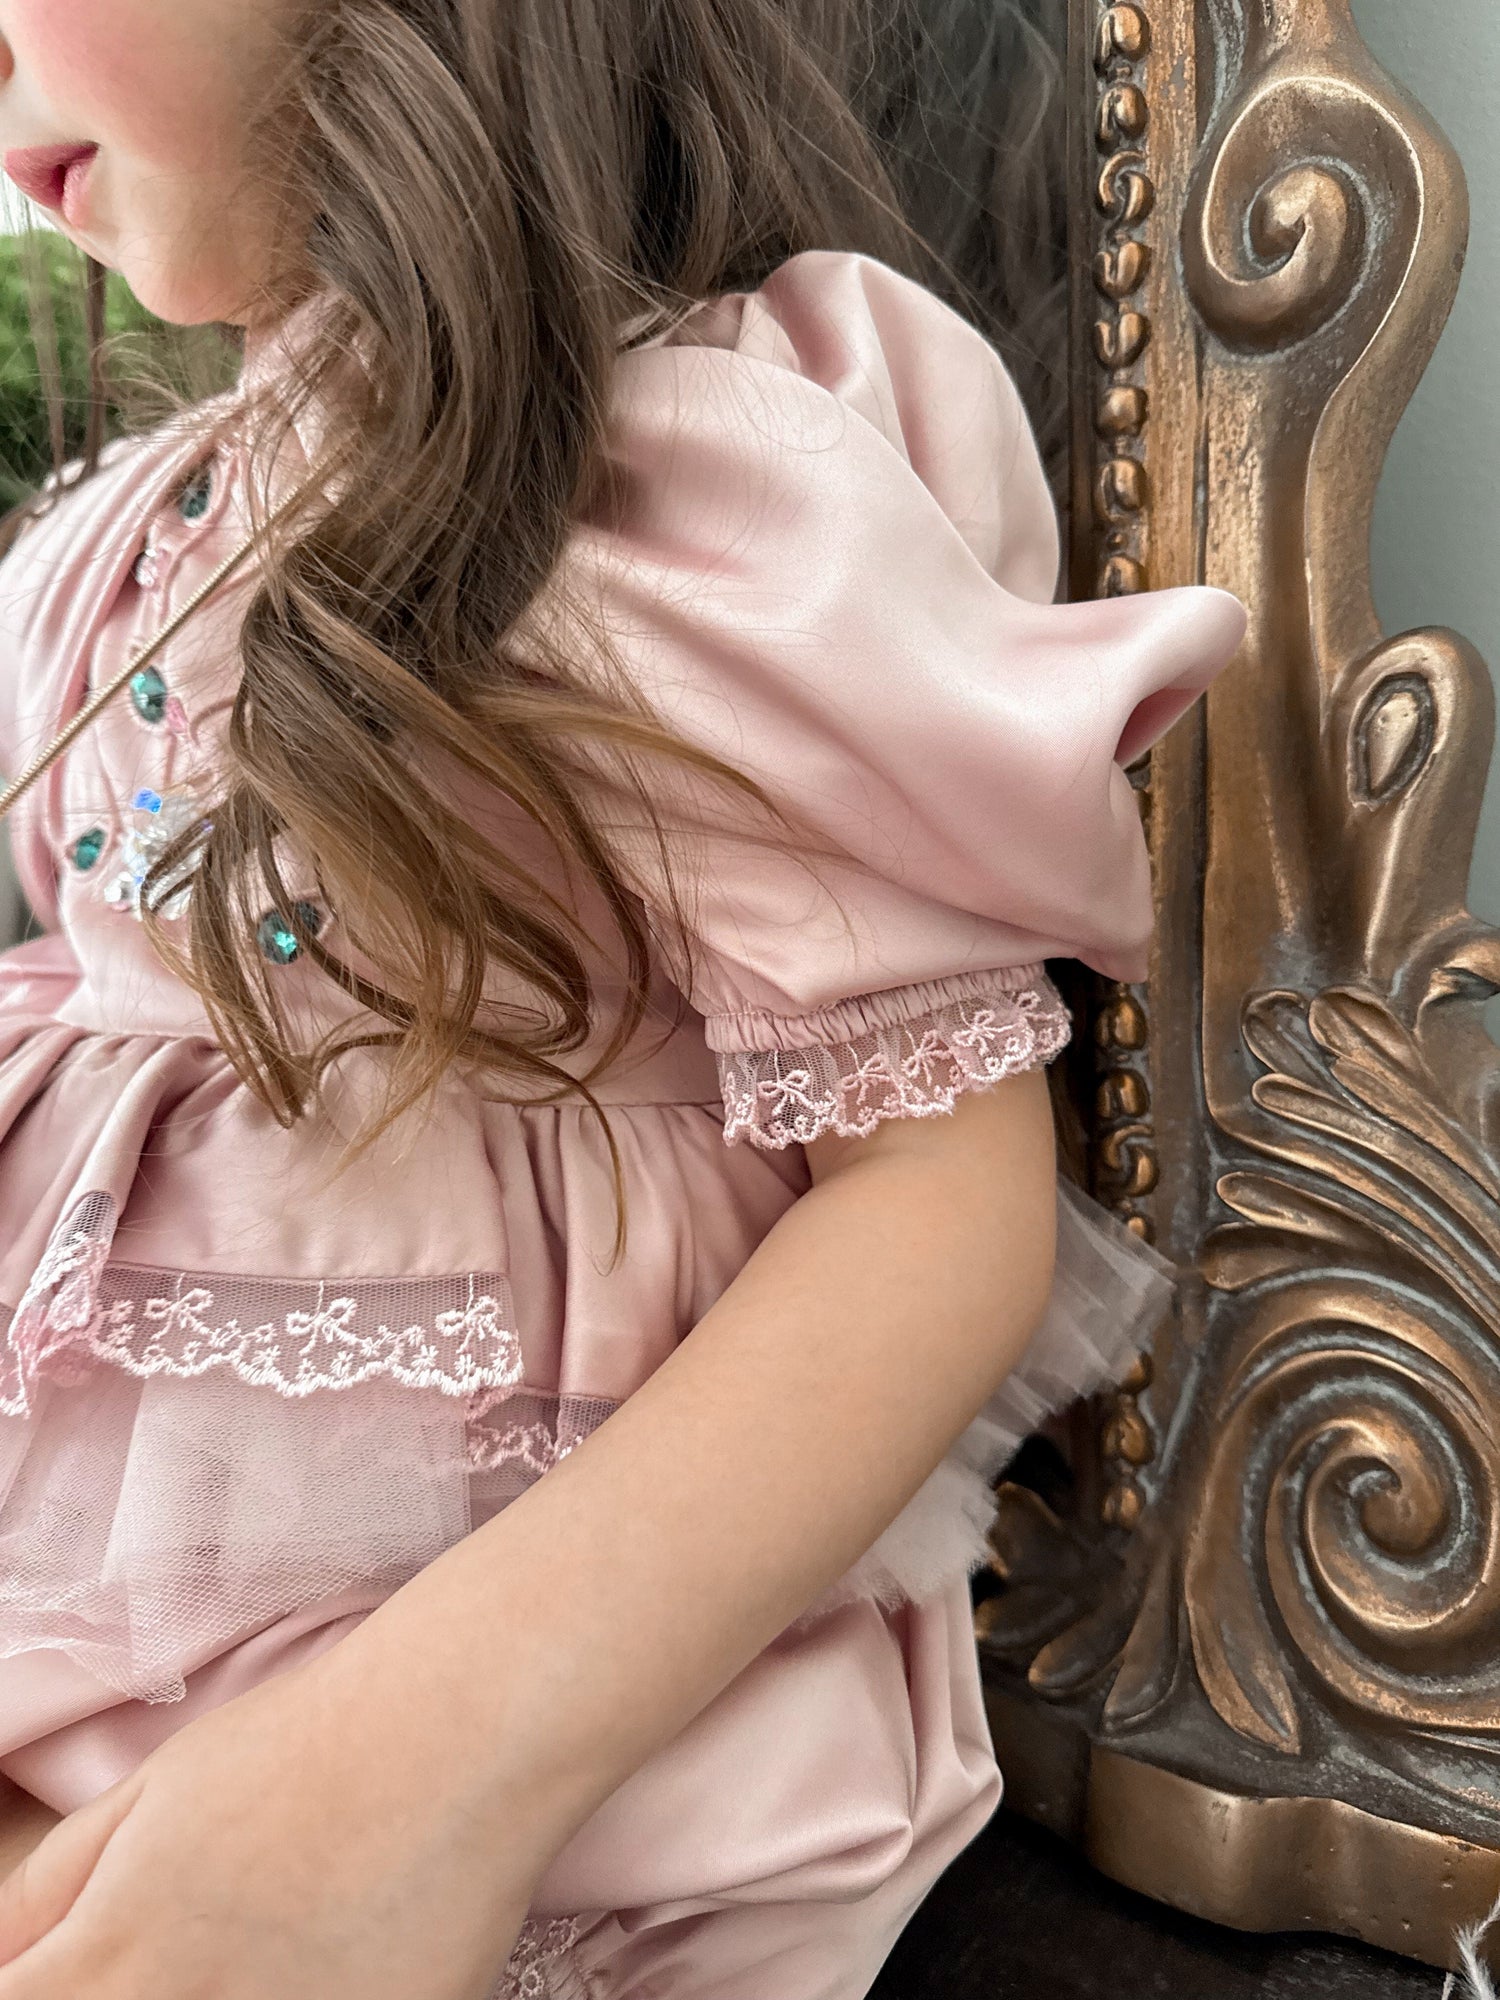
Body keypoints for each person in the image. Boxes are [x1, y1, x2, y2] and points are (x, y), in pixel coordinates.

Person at [0, 0, 1248, 1994]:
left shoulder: (679, 490)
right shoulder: (123, 547)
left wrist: (412, 1782)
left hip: (509, 1737)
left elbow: (934, 1197)